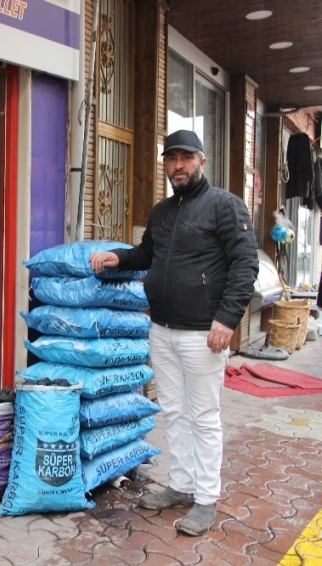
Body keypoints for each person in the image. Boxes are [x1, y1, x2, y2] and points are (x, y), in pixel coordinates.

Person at [89, 130, 259, 536]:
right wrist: (119, 257)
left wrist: (227, 320)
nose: (178, 166)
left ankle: (205, 499)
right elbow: (149, 254)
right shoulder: (162, 212)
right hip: (162, 329)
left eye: (185, 158)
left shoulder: (224, 206)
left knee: (203, 416)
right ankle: (181, 486)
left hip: (203, 333)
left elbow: (245, 266)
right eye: (171, 159)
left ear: (202, 161)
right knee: (175, 413)